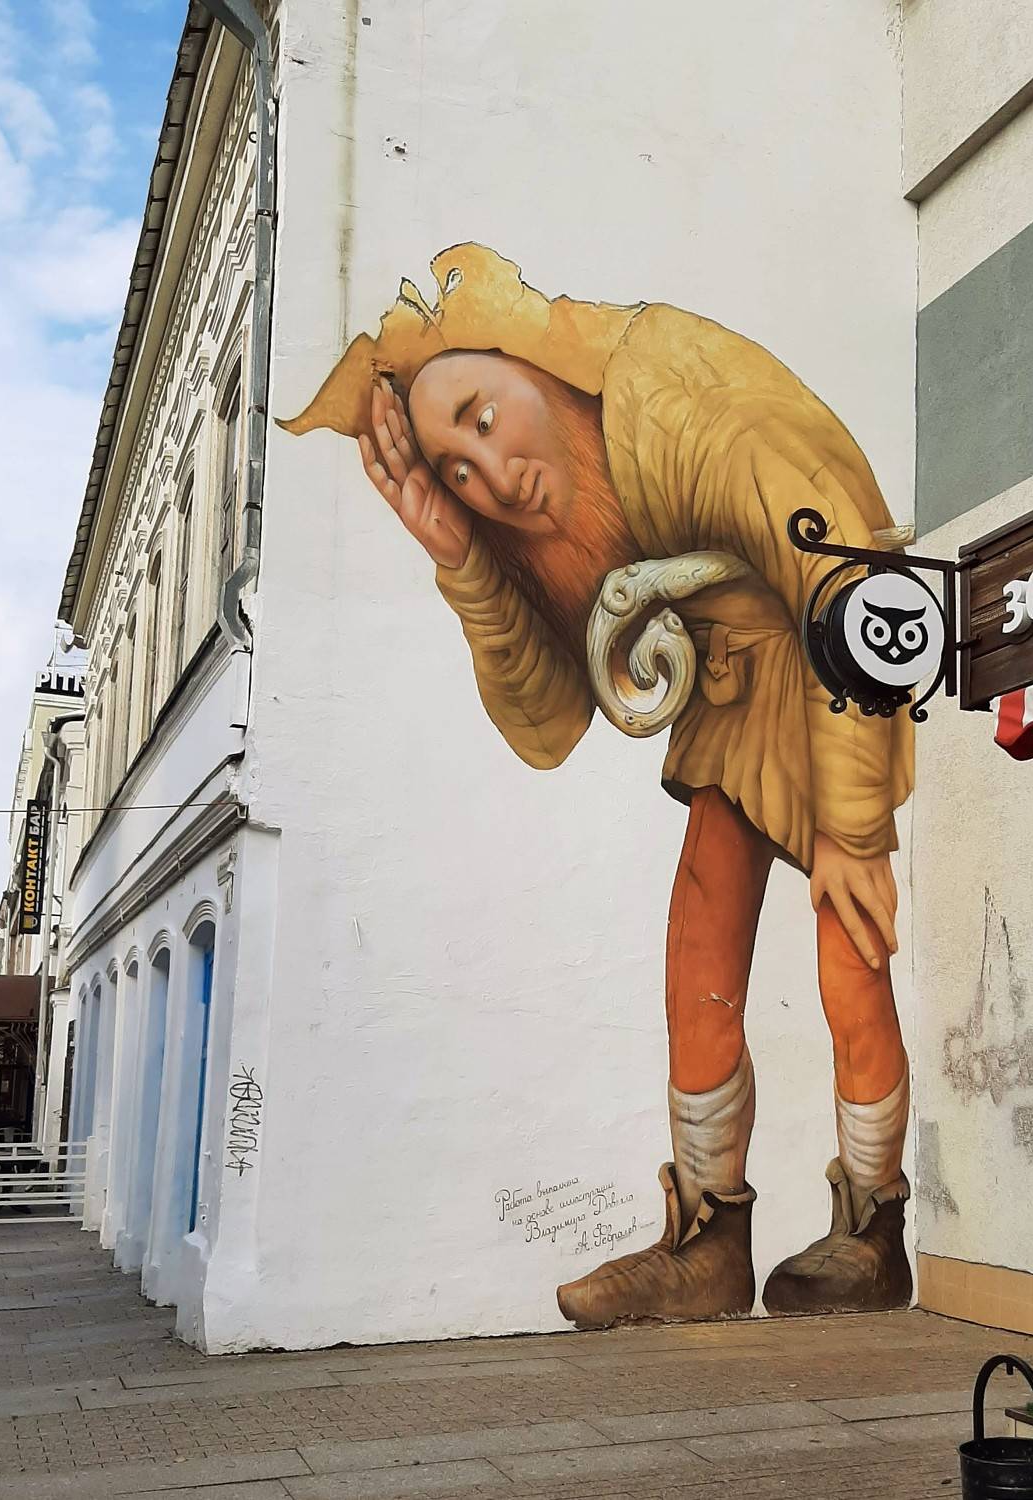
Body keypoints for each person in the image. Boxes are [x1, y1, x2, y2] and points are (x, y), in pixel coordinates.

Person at [282, 245, 915, 1327]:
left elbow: (840, 562)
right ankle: (709, 1243)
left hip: (834, 657)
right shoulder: (551, 530)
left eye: (483, 418)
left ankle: (873, 1229)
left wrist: (853, 830)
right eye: (456, 471)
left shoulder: (669, 399)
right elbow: (543, 723)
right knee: (696, 955)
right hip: (729, 687)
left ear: (537, 368)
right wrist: (463, 562)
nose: (491, 474)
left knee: (845, 952)